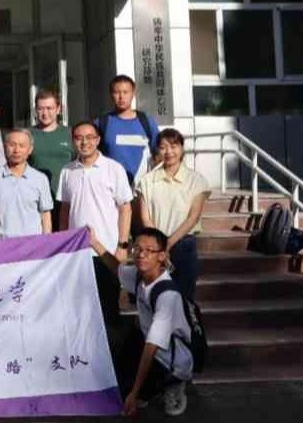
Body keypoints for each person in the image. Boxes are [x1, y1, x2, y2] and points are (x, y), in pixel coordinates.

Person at [89, 227, 193, 417]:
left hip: (170, 359)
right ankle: (143, 389)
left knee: (130, 391)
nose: (141, 254)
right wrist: (94, 242)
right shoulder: (140, 276)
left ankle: (174, 385)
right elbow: (116, 267)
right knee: (118, 378)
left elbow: (151, 347)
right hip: (147, 341)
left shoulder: (167, 295)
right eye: (137, 248)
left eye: (149, 250)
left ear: (162, 256)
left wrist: (134, 393)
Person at [57, 121, 133, 326]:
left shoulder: (114, 169)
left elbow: (125, 208)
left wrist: (123, 245)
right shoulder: (67, 171)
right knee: (79, 312)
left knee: (108, 310)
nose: (84, 142)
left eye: (90, 137)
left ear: (98, 140)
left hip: (106, 252)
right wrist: (63, 243)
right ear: (73, 141)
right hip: (77, 253)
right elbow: (65, 210)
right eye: (79, 138)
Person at [135, 129, 211, 301]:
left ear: (182, 148)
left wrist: (167, 244)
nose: (169, 152)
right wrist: (158, 247)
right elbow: (146, 218)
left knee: (184, 298)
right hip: (154, 248)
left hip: (183, 244)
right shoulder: (146, 181)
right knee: (155, 297)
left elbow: (193, 217)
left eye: (174, 146)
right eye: (163, 147)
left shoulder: (196, 180)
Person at [95, 75, 160, 186]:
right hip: (110, 185)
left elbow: (159, 152)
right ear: (111, 94)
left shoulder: (146, 121)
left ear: (133, 93)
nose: (121, 97)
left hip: (142, 187)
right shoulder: (101, 123)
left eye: (125, 92)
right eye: (117, 92)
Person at [0, 129, 53, 237]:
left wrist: (46, 241)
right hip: (3, 242)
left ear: (30, 149)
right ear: (4, 147)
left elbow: (45, 215)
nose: (16, 150)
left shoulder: (40, 178)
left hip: (33, 242)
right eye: (12, 145)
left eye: (22, 146)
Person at [28, 90, 74, 216]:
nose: (45, 113)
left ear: (58, 109)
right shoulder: (27, 135)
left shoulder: (70, 134)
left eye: (49, 108)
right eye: (40, 109)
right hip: (36, 198)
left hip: (65, 198)